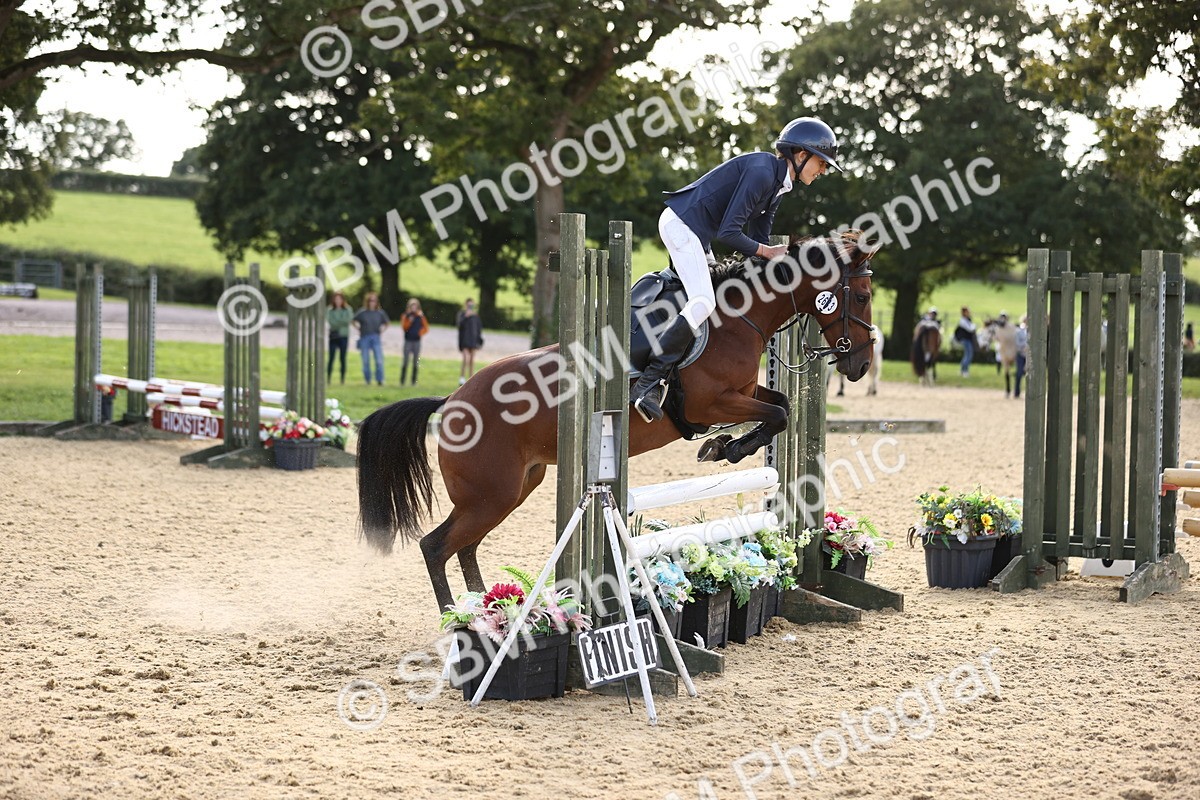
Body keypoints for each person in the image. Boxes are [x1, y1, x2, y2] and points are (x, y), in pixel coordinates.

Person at [630, 116, 843, 423]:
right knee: (703, 301)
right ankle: (648, 384)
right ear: (800, 155)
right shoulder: (760, 173)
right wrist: (768, 252)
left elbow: (757, 240)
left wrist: (781, 264)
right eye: (821, 163)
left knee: (716, 294)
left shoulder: (778, 185)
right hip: (682, 226)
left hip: (696, 232)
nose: (822, 170)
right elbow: (731, 234)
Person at [352, 292, 389, 385]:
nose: (372, 302)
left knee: (379, 360)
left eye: (374, 300)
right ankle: (367, 380)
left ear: (377, 302)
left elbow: (387, 323)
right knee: (365, 360)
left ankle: (380, 380)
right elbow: (353, 320)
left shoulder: (380, 313)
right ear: (367, 302)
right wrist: (358, 328)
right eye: (370, 300)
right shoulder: (362, 312)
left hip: (376, 337)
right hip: (364, 337)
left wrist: (382, 330)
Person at [400, 297, 430, 386]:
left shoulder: (420, 317)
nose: (413, 308)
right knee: (405, 361)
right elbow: (404, 327)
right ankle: (402, 381)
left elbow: (426, 328)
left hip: (417, 341)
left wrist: (419, 333)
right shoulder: (406, 316)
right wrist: (409, 321)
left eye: (415, 306)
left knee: (415, 361)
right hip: (408, 341)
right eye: (412, 306)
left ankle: (413, 381)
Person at [326, 291, 352, 384]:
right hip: (333, 336)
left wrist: (337, 322)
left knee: (343, 358)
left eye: (339, 299)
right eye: (336, 299)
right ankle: (328, 378)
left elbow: (348, 320)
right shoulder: (330, 310)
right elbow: (331, 322)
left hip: (343, 336)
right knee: (331, 358)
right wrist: (341, 322)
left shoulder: (347, 309)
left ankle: (342, 379)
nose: (338, 301)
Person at [456, 298, 483, 384]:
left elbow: (479, 330)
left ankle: (471, 379)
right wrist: (466, 317)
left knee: (472, 360)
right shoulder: (462, 315)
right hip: (465, 340)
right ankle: (462, 378)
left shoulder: (476, 316)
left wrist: (479, 341)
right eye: (469, 305)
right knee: (465, 359)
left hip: (473, 341)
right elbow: (459, 326)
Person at [954, 306, 977, 378]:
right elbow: (970, 329)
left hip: (968, 340)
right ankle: (965, 371)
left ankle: (962, 370)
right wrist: (974, 326)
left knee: (966, 355)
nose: (969, 313)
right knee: (968, 356)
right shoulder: (963, 321)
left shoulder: (967, 320)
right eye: (968, 312)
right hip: (966, 340)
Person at [1014, 314, 1030, 398]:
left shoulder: (1032, 330)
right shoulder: (1019, 331)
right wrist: (1023, 347)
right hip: (1021, 354)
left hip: (1029, 355)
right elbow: (1017, 343)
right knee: (1019, 373)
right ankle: (1016, 392)